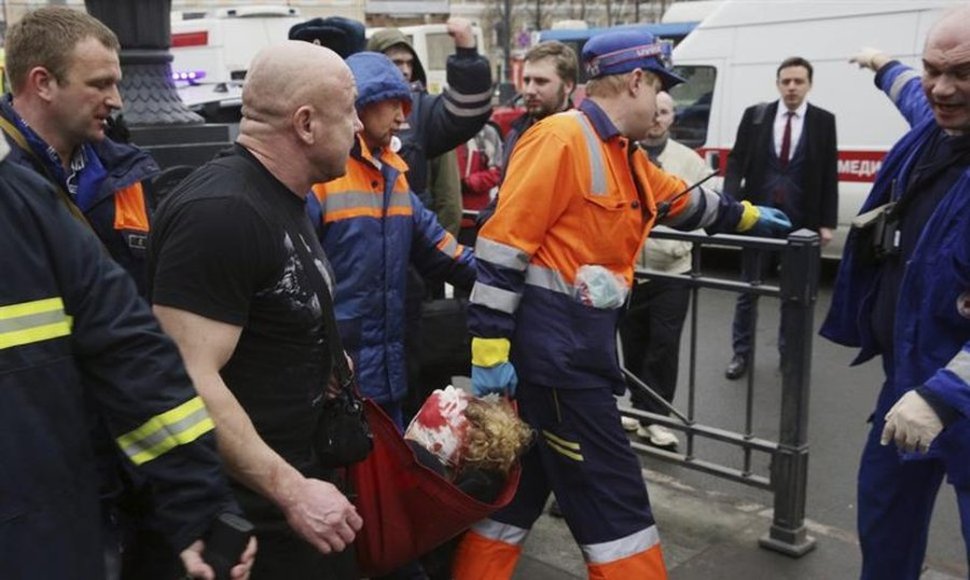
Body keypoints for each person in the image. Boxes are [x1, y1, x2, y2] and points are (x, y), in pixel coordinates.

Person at [453, 29, 791, 579]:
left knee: (516, 494)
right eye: (659, 84)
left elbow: (678, 199)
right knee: (615, 505)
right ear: (635, 80)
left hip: (564, 360)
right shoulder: (561, 139)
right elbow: (500, 249)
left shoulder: (623, 154)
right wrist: (488, 351)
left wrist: (749, 217)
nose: (665, 101)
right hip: (561, 367)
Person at [148, 41, 364, 579]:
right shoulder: (222, 212)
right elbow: (186, 377)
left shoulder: (279, 197)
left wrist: (320, 362)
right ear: (306, 123)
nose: (359, 124)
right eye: (350, 109)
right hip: (250, 526)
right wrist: (291, 491)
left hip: (294, 502)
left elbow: (266, 326)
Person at [0, 135, 255, 579]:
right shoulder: (27, 205)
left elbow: (131, 356)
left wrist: (198, 502)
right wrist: (199, 502)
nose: (115, 100)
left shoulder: (25, 203)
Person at [821, 8, 970, 578]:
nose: (942, 88)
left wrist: (944, 395)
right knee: (885, 521)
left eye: (961, 73)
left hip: (953, 390)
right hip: (907, 381)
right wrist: (886, 66)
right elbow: (917, 94)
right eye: (934, 69)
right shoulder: (936, 130)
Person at [309, 51, 476, 428]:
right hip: (335, 383)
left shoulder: (393, 177)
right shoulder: (321, 179)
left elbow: (445, 254)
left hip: (388, 377)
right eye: (394, 105)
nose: (404, 117)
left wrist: (511, 281)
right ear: (361, 106)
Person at [1, 6, 160, 295]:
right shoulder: (6, 175)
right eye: (100, 85)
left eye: (115, 85)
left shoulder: (127, 171)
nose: (116, 101)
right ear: (43, 83)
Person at [723, 56, 838, 380]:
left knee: (795, 296)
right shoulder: (757, 116)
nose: (791, 87)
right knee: (748, 291)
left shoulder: (823, 121)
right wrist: (732, 203)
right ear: (778, 84)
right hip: (759, 220)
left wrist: (826, 221)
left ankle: (790, 358)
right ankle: (740, 354)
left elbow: (829, 173)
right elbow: (736, 161)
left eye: (798, 81)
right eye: (786, 81)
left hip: (802, 223)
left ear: (808, 85)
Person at [619, 91, 714, 448]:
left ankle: (655, 416)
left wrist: (680, 243)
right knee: (633, 343)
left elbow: (705, 210)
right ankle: (638, 405)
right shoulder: (626, 155)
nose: (657, 119)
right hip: (630, 269)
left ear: (673, 118)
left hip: (673, 270)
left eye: (665, 113)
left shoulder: (689, 161)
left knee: (664, 345)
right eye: (653, 112)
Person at [367, 17, 492, 218]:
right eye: (396, 62)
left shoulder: (421, 110)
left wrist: (467, 55)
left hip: (409, 231)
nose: (406, 71)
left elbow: (466, 114)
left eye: (409, 63)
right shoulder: (352, 108)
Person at [477, 40, 577, 225]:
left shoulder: (579, 138)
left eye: (541, 82)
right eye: (526, 80)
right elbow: (506, 193)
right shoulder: (516, 133)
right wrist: (489, 217)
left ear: (567, 86)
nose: (530, 90)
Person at [457, 122, 503, 246]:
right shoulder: (441, 130)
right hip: (443, 218)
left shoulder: (487, 133)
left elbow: (497, 172)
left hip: (472, 220)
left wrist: (468, 183)